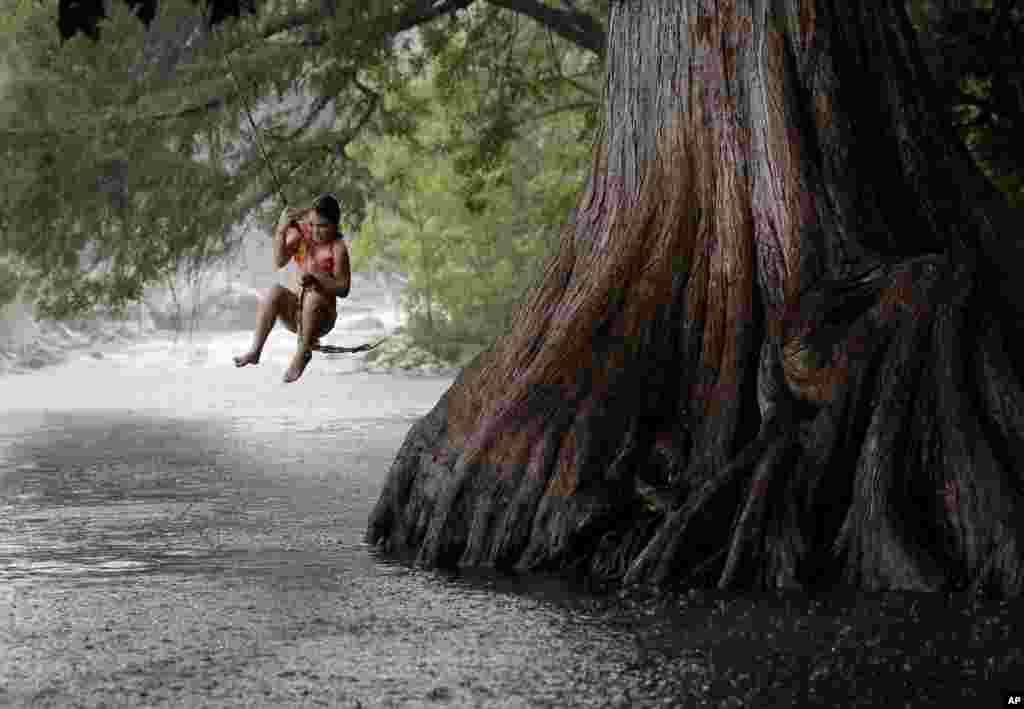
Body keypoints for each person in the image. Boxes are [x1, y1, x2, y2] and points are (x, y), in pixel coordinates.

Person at [233, 194, 351, 383]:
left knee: (314, 296)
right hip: (296, 314)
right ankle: (255, 351)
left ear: (335, 225)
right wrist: (281, 231)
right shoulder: (302, 237)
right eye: (312, 225)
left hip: (322, 318)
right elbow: (279, 261)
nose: (316, 231)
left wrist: (317, 274)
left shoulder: (338, 248)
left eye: (322, 226)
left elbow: (343, 289)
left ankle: (302, 354)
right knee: (274, 292)